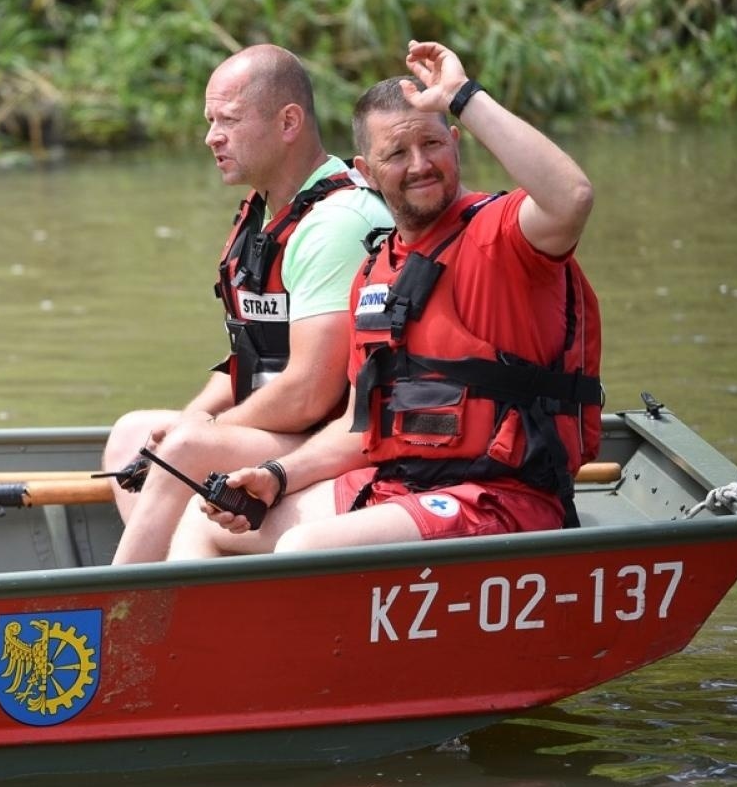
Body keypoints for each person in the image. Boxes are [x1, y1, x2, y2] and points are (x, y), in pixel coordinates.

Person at [169, 39, 602, 558]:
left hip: (500, 498)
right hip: (398, 487)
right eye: (396, 153)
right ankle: (168, 642)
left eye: (432, 144)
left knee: (303, 547)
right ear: (368, 173)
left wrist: (461, 94)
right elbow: (362, 430)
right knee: (202, 524)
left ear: (456, 143)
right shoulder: (375, 274)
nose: (419, 164)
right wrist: (276, 476)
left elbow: (571, 197)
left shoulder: (505, 235)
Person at [106, 44, 391, 564]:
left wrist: (204, 433)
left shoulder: (337, 222)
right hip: (277, 427)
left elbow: (309, 392)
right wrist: (188, 418)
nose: (211, 136)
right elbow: (252, 359)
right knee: (132, 437)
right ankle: (182, 582)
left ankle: (122, 610)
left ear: (288, 122)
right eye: (211, 120)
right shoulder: (265, 214)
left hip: (329, 437)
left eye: (229, 120)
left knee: (185, 451)